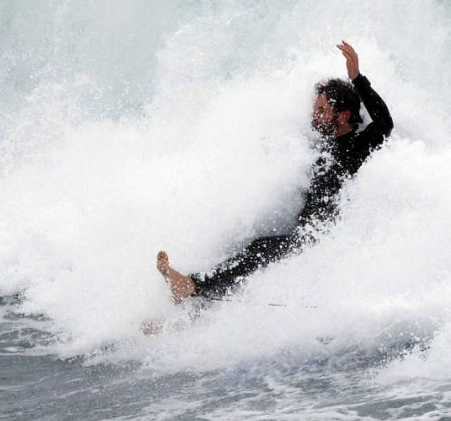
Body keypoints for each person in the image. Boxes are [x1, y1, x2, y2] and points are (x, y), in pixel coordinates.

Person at [157, 41, 394, 302]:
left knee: (260, 248)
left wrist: (357, 78)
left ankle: (193, 287)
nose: (314, 116)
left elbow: (384, 121)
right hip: (306, 234)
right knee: (256, 246)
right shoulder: (317, 150)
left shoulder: (357, 146)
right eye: (315, 110)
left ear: (343, 115)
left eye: (322, 110)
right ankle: (197, 302)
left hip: (320, 240)